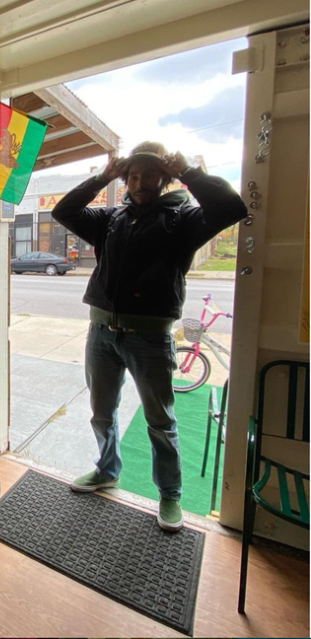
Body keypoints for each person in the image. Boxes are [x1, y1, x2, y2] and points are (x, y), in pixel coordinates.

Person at [52, 141, 247, 532]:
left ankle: (170, 494)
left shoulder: (183, 219)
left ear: (164, 178)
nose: (141, 183)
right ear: (126, 178)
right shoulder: (111, 218)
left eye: (150, 175)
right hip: (101, 333)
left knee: (160, 421)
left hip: (151, 339)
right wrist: (102, 177)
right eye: (134, 176)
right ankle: (106, 470)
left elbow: (231, 208)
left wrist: (190, 171)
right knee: (102, 412)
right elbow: (64, 210)